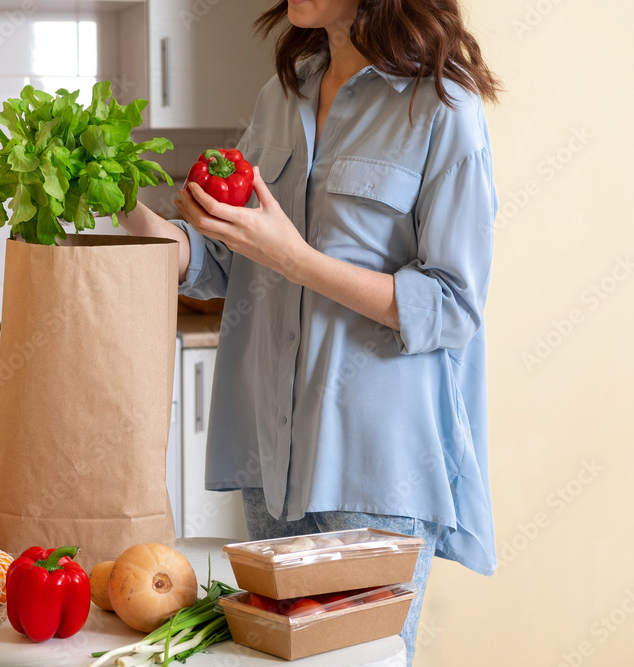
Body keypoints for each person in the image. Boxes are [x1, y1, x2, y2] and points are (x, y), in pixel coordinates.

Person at [119, 0, 501, 662]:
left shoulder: (442, 107)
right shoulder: (281, 95)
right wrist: (123, 204)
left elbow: (450, 305)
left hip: (379, 470)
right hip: (272, 461)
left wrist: (295, 257)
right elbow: (223, 261)